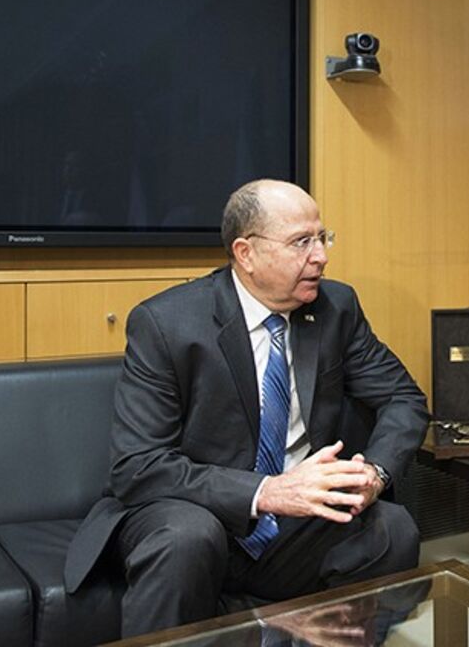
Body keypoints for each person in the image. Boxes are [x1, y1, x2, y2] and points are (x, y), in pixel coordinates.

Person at [64, 179, 429, 637]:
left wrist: (375, 474)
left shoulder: (337, 307)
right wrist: (266, 491)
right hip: (194, 511)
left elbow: (403, 397)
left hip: (294, 522)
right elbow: (138, 466)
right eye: (301, 242)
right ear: (246, 253)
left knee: (391, 529)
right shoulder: (166, 324)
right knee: (188, 537)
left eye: (322, 237)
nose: (320, 255)